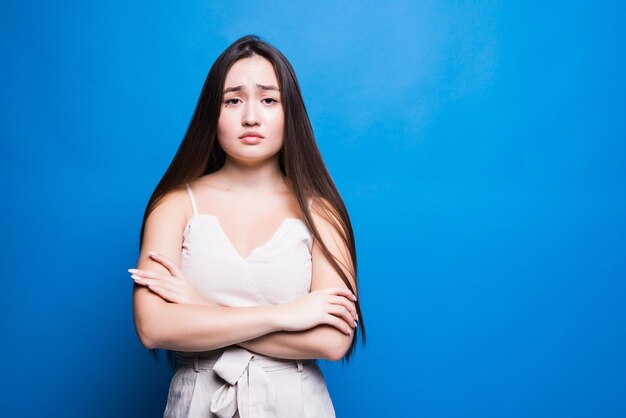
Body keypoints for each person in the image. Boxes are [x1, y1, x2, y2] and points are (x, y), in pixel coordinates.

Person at [129, 35, 365, 418]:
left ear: (291, 112)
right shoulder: (174, 206)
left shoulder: (322, 213)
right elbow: (153, 327)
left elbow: (333, 340)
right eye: (233, 100)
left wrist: (200, 308)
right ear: (212, 113)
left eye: (269, 100)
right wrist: (284, 315)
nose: (251, 116)